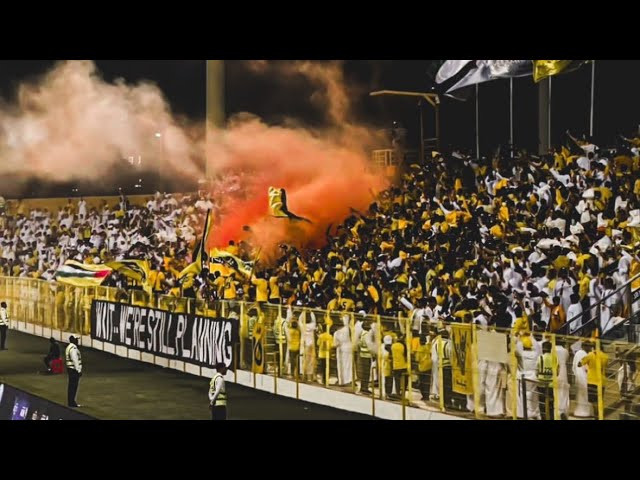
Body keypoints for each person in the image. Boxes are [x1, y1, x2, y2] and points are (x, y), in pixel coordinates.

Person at [536, 341, 558, 420]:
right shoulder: (554, 358)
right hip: (551, 384)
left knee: (542, 403)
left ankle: (543, 417)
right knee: (551, 403)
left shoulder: (540, 358)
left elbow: (536, 370)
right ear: (550, 349)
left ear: (542, 349)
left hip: (541, 383)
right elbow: (557, 371)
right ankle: (551, 417)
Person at [65, 336, 83, 407]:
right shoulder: (73, 348)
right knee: (73, 387)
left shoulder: (69, 347)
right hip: (73, 370)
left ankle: (71, 401)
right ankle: (72, 402)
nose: (77, 341)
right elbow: (75, 360)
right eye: (76, 340)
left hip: (70, 369)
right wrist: (78, 370)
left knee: (71, 386)